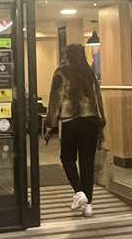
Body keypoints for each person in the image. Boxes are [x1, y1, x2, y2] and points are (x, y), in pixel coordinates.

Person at [45, 43, 106, 218]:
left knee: (67, 158)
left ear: (68, 55)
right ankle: (88, 206)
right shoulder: (90, 73)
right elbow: (98, 99)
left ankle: (80, 192)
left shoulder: (61, 72)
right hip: (91, 121)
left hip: (72, 122)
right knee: (87, 163)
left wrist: (50, 125)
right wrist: (101, 123)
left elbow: (55, 100)